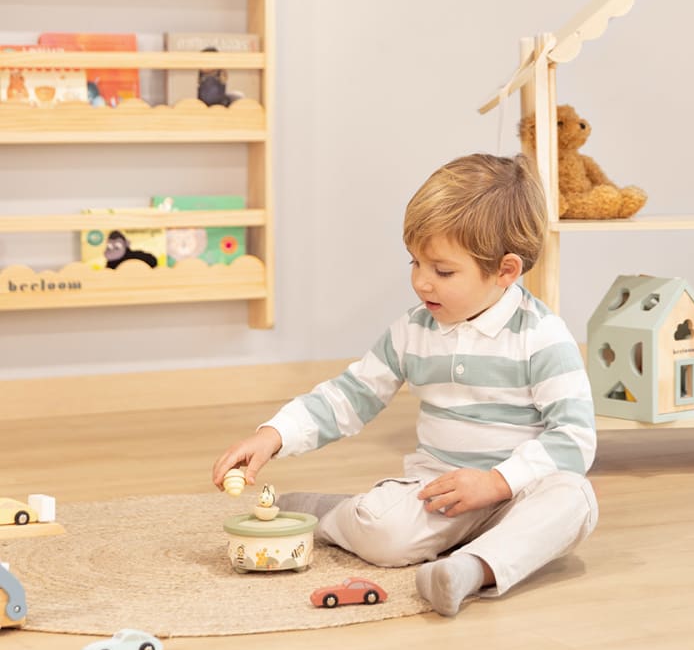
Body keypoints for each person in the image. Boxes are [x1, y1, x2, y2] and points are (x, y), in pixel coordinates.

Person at [212, 152, 598, 616]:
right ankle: (327, 514)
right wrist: (273, 434)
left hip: (521, 491)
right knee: (384, 533)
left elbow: (573, 439)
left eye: (443, 271)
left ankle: (470, 570)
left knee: (574, 500)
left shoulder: (542, 337)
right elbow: (351, 395)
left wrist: (498, 482)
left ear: (505, 271)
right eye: (415, 263)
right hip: (439, 489)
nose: (421, 282)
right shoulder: (413, 330)